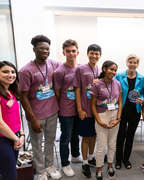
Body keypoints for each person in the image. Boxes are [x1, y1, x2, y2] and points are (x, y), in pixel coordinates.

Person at [19, 35, 62, 180]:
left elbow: (69, 69)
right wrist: (32, 119)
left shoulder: (53, 64)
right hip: (36, 115)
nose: (45, 51)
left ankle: (50, 166)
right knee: (37, 145)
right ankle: (41, 171)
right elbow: (23, 97)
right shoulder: (26, 70)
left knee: (50, 142)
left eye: (47, 48)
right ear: (34, 49)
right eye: (41, 48)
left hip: (52, 112)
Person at [53, 39, 82, 177]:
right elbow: (57, 93)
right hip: (66, 110)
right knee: (65, 137)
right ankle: (65, 163)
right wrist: (63, 105)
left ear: (77, 52)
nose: (71, 53)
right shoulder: (60, 71)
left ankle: (75, 155)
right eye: (68, 51)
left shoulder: (81, 68)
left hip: (79, 109)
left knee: (76, 134)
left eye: (73, 51)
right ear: (63, 52)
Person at [73, 44, 102, 178]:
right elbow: (77, 89)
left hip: (97, 110)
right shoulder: (80, 69)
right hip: (85, 109)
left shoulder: (101, 70)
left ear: (100, 56)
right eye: (92, 53)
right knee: (85, 137)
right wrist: (79, 109)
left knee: (94, 135)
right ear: (87, 54)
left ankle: (91, 157)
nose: (94, 56)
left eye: (97, 54)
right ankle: (84, 163)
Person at [90, 60, 122, 180]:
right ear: (104, 69)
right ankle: (99, 169)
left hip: (114, 115)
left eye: (115, 70)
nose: (113, 72)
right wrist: (98, 120)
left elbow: (120, 102)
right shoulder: (97, 85)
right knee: (102, 145)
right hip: (102, 116)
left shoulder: (117, 84)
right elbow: (92, 105)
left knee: (112, 144)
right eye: (111, 69)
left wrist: (118, 118)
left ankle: (110, 166)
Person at [114, 54, 144, 169]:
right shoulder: (119, 75)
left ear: (138, 64)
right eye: (130, 62)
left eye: (135, 62)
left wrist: (141, 98)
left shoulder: (142, 78)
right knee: (120, 135)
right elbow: (114, 89)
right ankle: (118, 159)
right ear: (127, 63)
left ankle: (126, 159)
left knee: (130, 135)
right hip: (121, 111)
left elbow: (143, 92)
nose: (132, 64)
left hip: (135, 111)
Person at [0, 61, 24, 180]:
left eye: (13, 72)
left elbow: (16, 115)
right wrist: (16, 139)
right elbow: (0, 124)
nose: (10, 74)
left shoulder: (10, 92)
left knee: (8, 172)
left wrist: (22, 134)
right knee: (10, 175)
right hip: (2, 139)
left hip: (14, 137)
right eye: (5, 71)